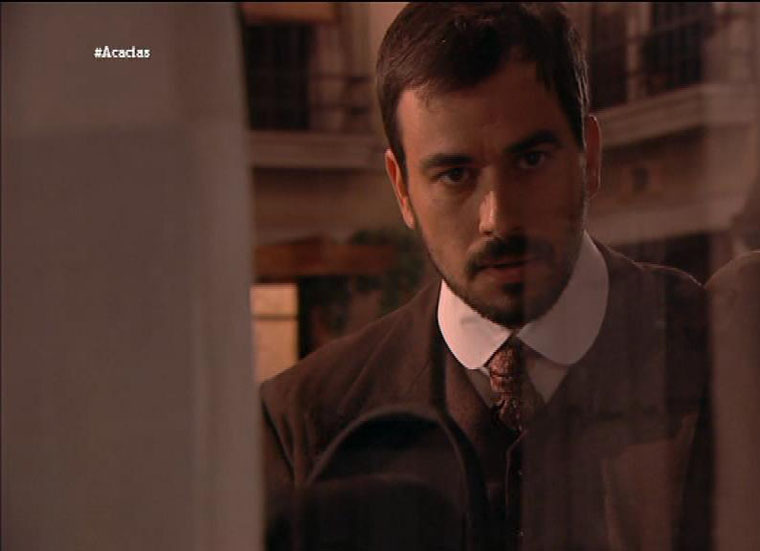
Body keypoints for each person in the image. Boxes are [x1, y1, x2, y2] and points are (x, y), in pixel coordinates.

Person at [261, 4, 713, 549]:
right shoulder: (307, 419)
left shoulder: (722, 355)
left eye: (531, 160)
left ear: (589, 156)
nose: (498, 218)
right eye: (455, 174)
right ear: (402, 188)